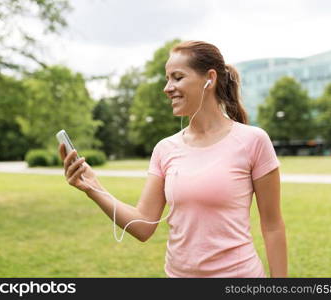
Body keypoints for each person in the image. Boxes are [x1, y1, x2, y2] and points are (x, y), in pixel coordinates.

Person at [58, 40, 287, 278]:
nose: (167, 88)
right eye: (167, 79)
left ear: (210, 78)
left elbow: (272, 227)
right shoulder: (164, 149)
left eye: (177, 77)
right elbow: (143, 226)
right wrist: (93, 187)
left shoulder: (253, 141)